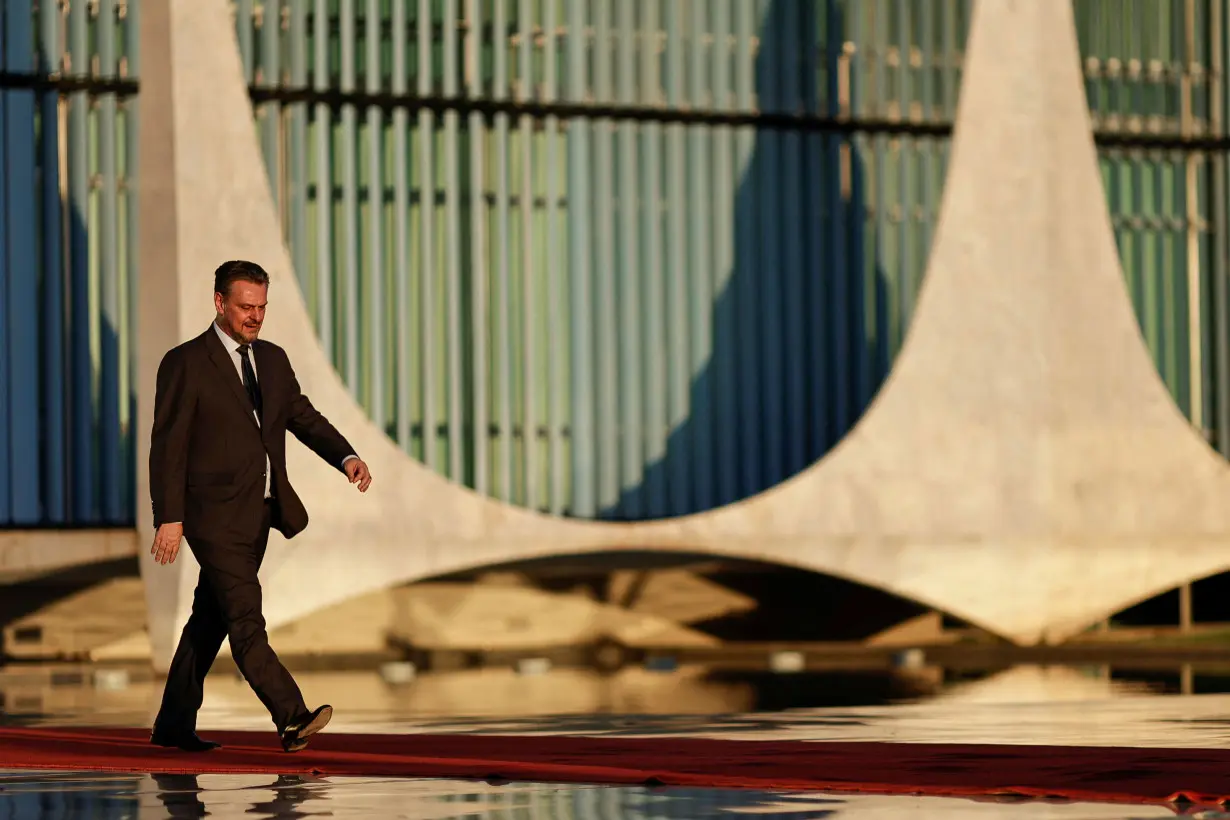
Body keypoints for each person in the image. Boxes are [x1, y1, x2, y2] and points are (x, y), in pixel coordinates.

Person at [147, 259, 373, 753]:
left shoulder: (271, 359)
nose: (255, 316)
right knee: (246, 620)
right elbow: (168, 447)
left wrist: (347, 456)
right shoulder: (185, 362)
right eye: (246, 307)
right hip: (211, 517)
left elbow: (301, 416)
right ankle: (291, 717)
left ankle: (172, 725)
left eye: (262, 307)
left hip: (258, 516)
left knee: (210, 620)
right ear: (219, 303)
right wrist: (169, 517)